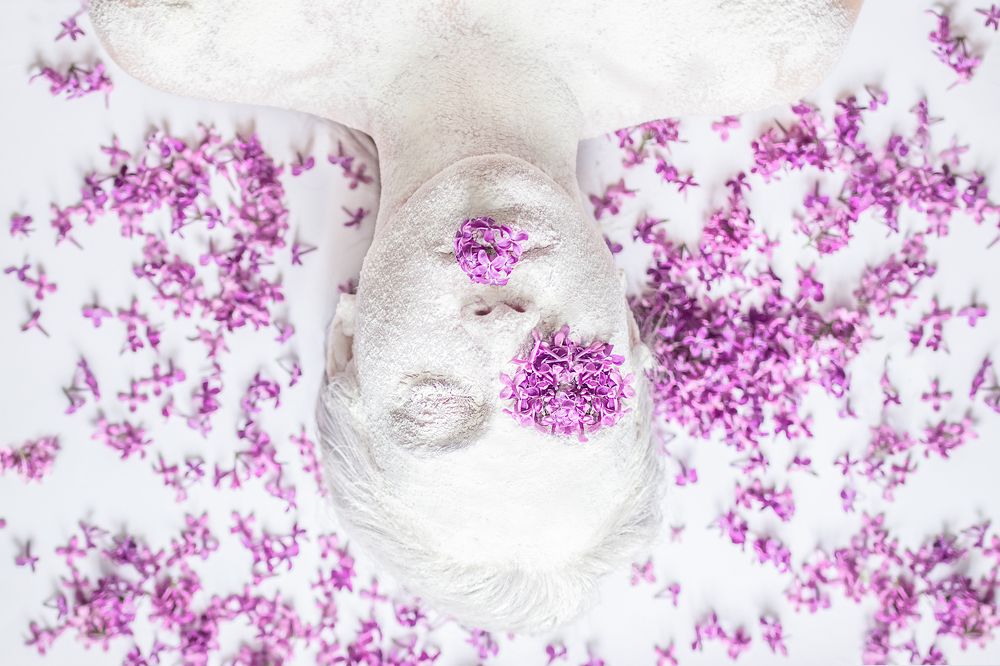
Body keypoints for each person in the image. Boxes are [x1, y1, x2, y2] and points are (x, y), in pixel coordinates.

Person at [88, 0, 863, 633]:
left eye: (436, 401)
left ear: (348, 346)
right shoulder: (764, 29)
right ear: (627, 334)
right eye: (572, 386)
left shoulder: (181, 23)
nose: (501, 326)